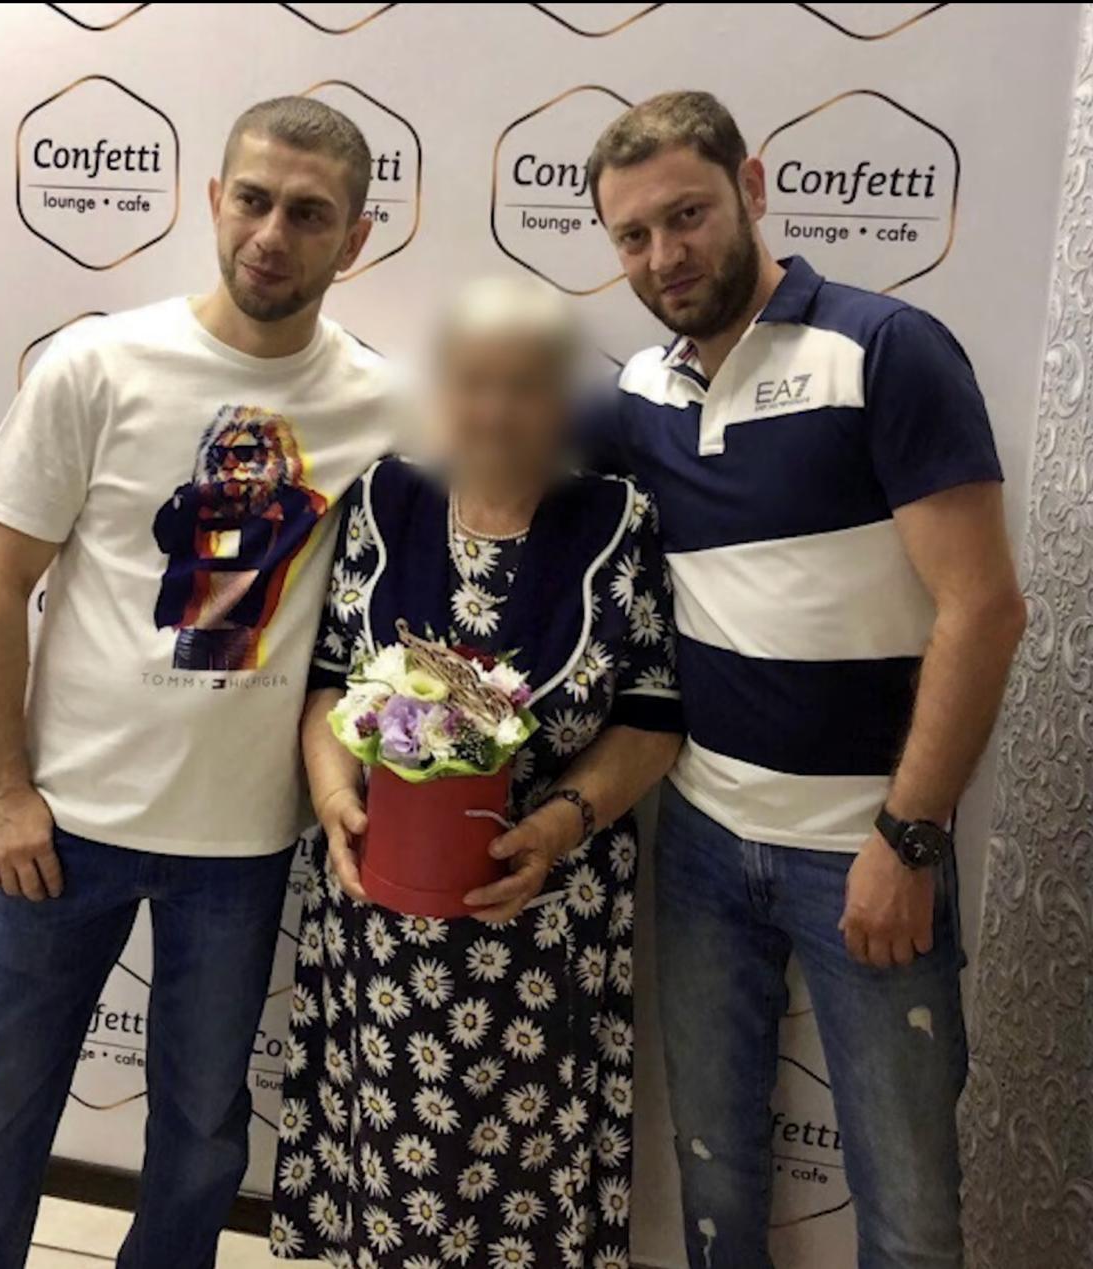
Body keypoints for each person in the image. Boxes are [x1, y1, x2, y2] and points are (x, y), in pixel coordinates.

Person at [0, 97, 408, 1269]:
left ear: (354, 240)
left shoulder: (386, 406)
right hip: (61, 827)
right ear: (212, 201)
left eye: (308, 214)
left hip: (240, 842)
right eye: (252, 200)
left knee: (199, 1138)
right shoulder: (99, 364)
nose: (270, 234)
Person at [582, 91, 1027, 1269]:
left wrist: (907, 838)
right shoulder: (638, 394)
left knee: (909, 1215)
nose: (664, 257)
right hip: (700, 839)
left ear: (751, 187)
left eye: (686, 215)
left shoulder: (885, 349)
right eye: (632, 236)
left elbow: (982, 609)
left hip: (864, 848)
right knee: (712, 1181)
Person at [269, 277, 685, 1268]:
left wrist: (561, 822)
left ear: (562, 399)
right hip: (381, 921)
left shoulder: (617, 519)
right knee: (392, 1180)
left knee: (523, 1184)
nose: (494, 410)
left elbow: (650, 715)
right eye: (471, 382)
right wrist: (334, 797)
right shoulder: (384, 500)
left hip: (546, 918)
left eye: (524, 386)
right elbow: (328, 681)